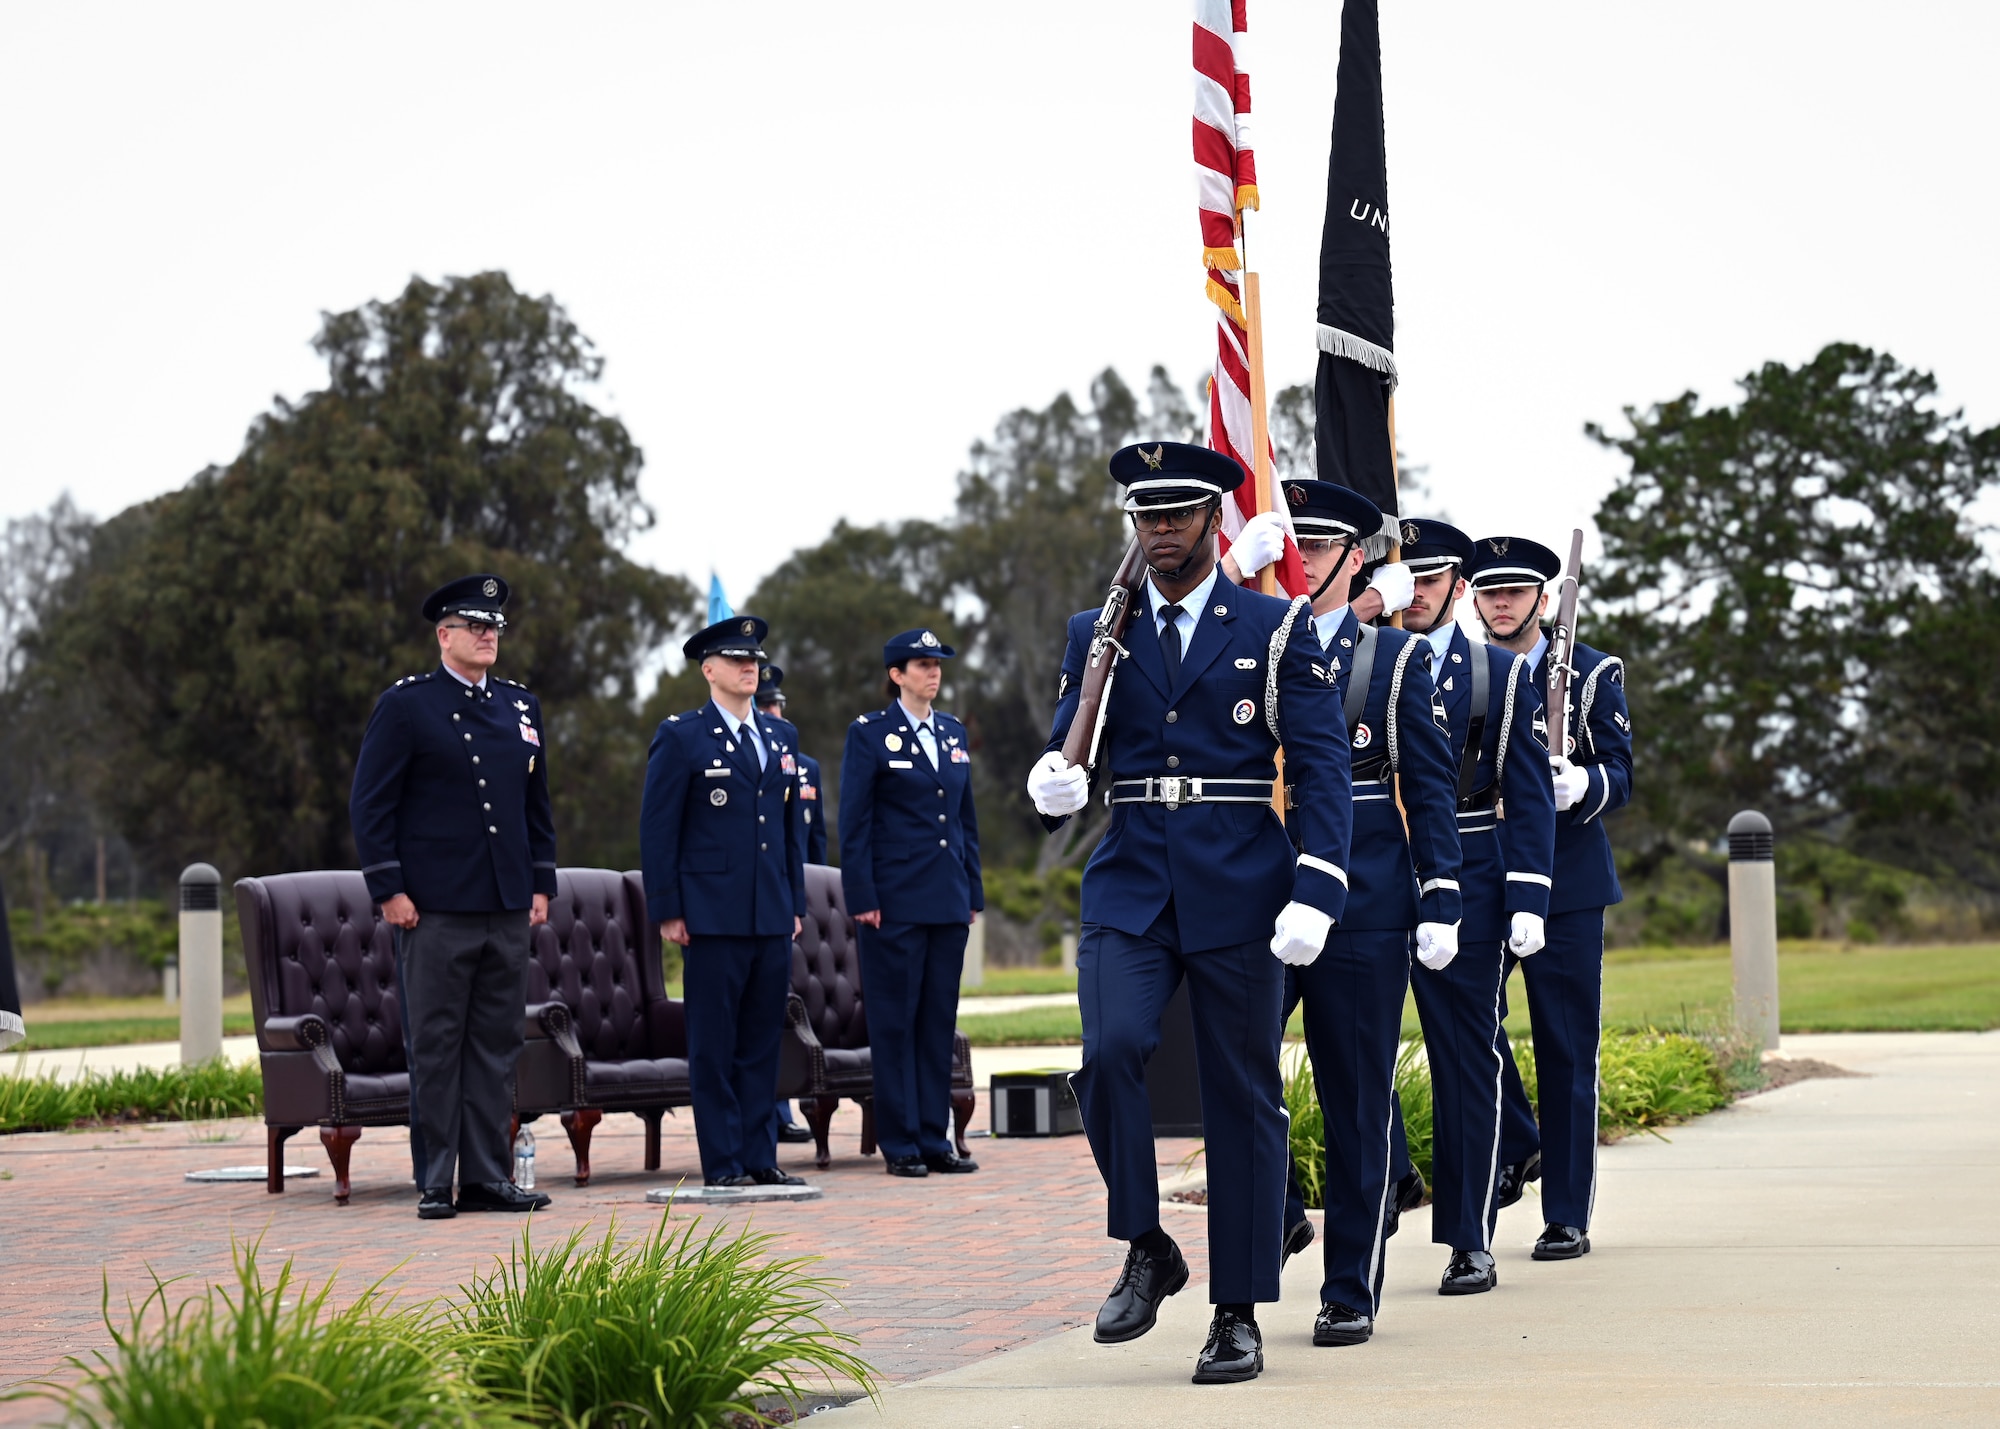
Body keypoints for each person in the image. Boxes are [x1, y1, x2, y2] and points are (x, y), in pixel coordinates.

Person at [1026, 441, 1352, 1387]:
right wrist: (1057, 775)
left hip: (1242, 878)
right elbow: (1073, 742)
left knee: (1242, 1090)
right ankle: (1146, 1242)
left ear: (1216, 520)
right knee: (1110, 1050)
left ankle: (1237, 1310)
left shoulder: (1276, 625)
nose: (1160, 531)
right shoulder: (1101, 628)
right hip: (1129, 874)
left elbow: (1322, 763)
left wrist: (1319, 881)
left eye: (1177, 515)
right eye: (1146, 516)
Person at [1235, 481, 1463, 1343]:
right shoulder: (1247, 644)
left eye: (1318, 548)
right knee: (1229, 1067)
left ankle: (1349, 1283)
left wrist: (1440, 896)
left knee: (1356, 1092)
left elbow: (1432, 792)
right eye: (1289, 546)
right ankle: (1281, 1205)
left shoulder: (1392, 661)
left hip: (1363, 901)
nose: (1300, 563)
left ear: (1355, 557)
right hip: (1258, 892)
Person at [349, 574, 556, 1220]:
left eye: (494, 625)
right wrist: (389, 888)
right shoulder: (408, 705)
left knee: (497, 1044)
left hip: (504, 903)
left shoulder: (520, 707)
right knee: (437, 1044)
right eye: (475, 625)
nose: (489, 634)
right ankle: (437, 1178)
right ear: (445, 635)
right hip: (434, 907)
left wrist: (541, 881)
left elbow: (535, 805)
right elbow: (370, 803)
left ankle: (489, 1176)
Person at [1392, 521, 1558, 1292]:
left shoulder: (1495, 675)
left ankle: (1468, 1234)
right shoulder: (1351, 659)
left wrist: (1529, 891)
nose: (1416, 591)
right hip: (1370, 861)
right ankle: (1389, 1177)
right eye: (1406, 575)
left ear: (1459, 586)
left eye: (1431, 578)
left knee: (1465, 1055)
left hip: (1471, 868)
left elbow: (1525, 795)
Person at [1469, 536, 1634, 1262]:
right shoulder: (1464, 672)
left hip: (1565, 877)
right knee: (1465, 1015)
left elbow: (1623, 771)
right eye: (1488, 591)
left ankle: (1566, 1211)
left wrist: (1583, 786)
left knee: (1568, 1047)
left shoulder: (1593, 672)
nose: (1500, 603)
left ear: (1543, 597)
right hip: (1485, 871)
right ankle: (1520, 1137)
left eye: (1514, 592)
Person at [641, 615, 809, 1189]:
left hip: (769, 912)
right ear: (708, 669)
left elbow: (791, 833)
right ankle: (724, 1163)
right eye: (737, 659)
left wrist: (795, 903)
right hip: (710, 914)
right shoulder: (682, 736)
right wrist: (667, 906)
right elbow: (659, 828)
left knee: (762, 1040)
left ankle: (760, 1156)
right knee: (714, 1044)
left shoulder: (781, 737)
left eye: (754, 659)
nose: (749, 668)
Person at [837, 629, 985, 1177]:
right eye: (922, 665)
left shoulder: (951, 732)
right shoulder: (870, 734)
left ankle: (933, 1138)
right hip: (893, 903)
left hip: (947, 900)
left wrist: (972, 889)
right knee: (896, 1023)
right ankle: (899, 1143)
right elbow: (854, 824)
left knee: (936, 1023)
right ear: (896, 674)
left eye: (938, 663)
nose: (934, 672)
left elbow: (964, 822)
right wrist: (863, 896)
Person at [757, 662, 822, 1144]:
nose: (773, 712)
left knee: (792, 1009)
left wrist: (809, 901)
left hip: (790, 905)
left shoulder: (803, 766)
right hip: (750, 904)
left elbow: (812, 845)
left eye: (777, 705)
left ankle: (788, 1103)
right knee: (765, 1013)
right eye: (765, 705)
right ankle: (773, 1111)